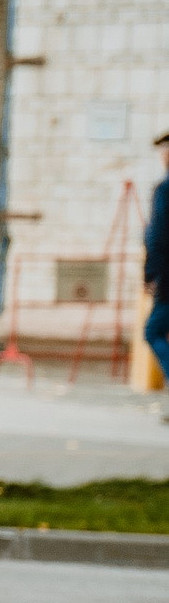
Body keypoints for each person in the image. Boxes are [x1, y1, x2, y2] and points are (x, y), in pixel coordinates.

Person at [144, 129, 169, 404]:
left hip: (168, 279)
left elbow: (159, 236)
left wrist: (151, 275)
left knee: (153, 331)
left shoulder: (165, 189)